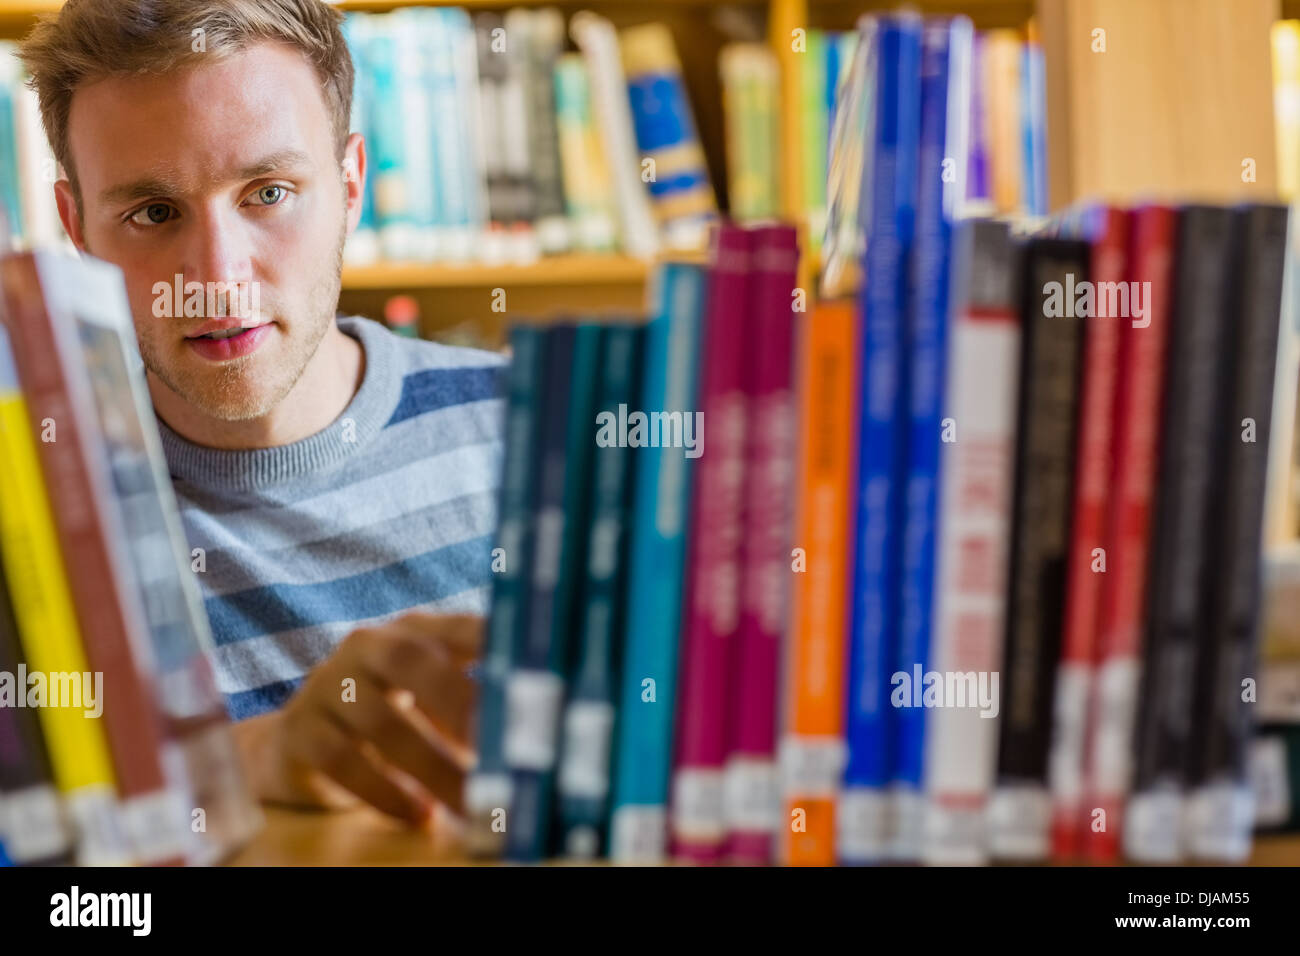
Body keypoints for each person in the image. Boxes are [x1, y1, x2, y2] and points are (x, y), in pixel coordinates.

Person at [18, 0, 502, 829]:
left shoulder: (530, 433)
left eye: (268, 192)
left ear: (350, 188)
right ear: (77, 228)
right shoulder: (35, 516)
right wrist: (252, 761)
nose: (217, 275)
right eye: (152, 213)